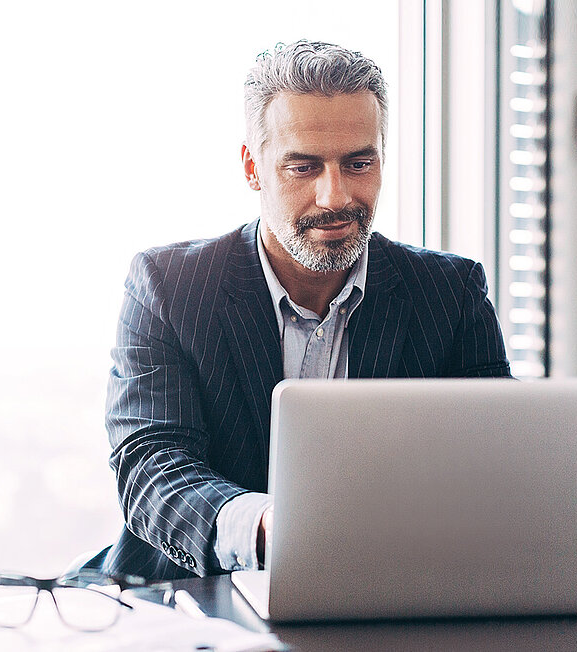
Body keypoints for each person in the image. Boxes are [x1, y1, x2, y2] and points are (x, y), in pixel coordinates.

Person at [100, 41, 511, 581]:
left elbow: (499, 464)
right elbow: (152, 468)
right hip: (198, 598)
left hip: (395, 594)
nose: (334, 197)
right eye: (304, 166)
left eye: (358, 163)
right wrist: (268, 526)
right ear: (253, 167)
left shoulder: (450, 293)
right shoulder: (169, 288)